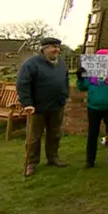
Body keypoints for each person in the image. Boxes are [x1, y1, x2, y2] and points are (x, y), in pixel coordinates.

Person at [17, 37, 70, 176]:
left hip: (56, 106)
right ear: (44, 49)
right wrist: (27, 103)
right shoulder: (31, 64)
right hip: (37, 108)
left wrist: (64, 95)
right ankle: (31, 163)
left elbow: (65, 81)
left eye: (58, 47)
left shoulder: (62, 64)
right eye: (53, 47)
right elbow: (23, 84)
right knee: (34, 137)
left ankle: (53, 158)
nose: (57, 50)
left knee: (55, 134)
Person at [76, 48, 108, 168]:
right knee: (92, 134)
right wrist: (80, 78)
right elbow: (83, 87)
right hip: (93, 107)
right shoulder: (91, 71)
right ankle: (90, 160)